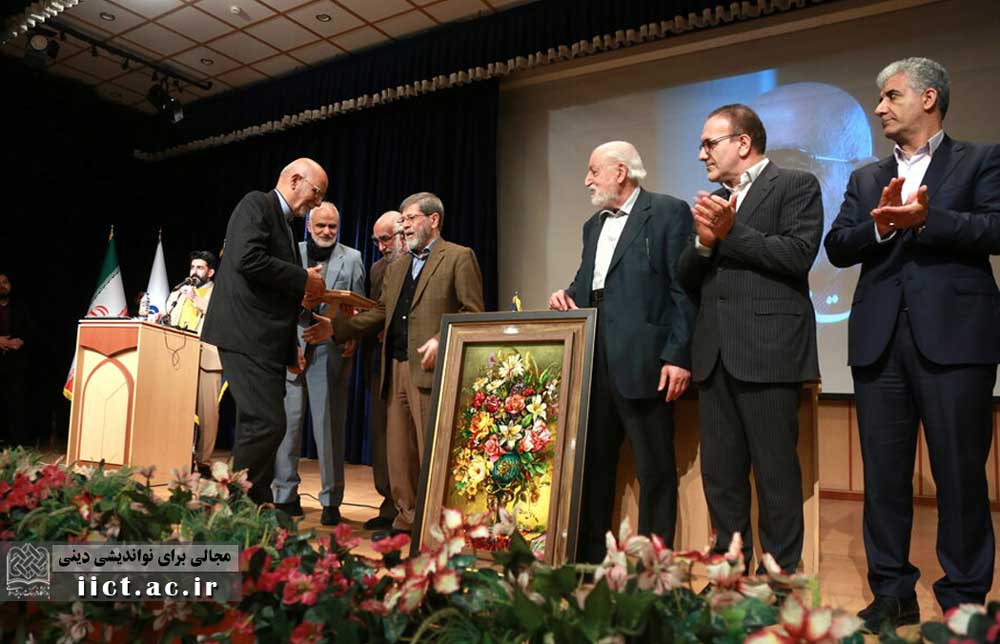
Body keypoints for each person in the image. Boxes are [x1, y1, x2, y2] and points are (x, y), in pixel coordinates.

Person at [824, 57, 1000, 629]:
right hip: (879, 345)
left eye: (891, 96)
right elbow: (838, 245)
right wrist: (880, 226)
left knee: (960, 476)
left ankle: (964, 601)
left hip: (956, 341)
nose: (879, 107)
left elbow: (995, 227)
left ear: (928, 99)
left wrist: (926, 219)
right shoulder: (865, 178)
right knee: (883, 478)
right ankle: (892, 593)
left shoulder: (981, 159)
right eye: (879, 98)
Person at [677, 104, 822, 574]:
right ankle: (729, 572)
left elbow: (797, 255)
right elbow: (686, 278)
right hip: (714, 355)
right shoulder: (714, 202)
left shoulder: (796, 185)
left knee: (776, 475)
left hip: (769, 352)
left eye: (709, 143)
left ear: (743, 143)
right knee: (721, 477)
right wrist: (703, 243)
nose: (701, 154)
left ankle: (776, 581)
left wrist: (730, 232)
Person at [548, 141, 697, 563]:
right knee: (593, 466)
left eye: (593, 171)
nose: (587, 180)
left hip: (645, 362)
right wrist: (566, 295)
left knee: (655, 470)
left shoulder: (667, 212)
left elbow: (683, 288)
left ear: (620, 171)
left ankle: (652, 566)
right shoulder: (592, 226)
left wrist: (678, 355)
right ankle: (588, 559)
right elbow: (588, 284)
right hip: (595, 362)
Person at [332, 192, 485, 537]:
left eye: (411, 218)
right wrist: (338, 328)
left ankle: (440, 523)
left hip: (432, 370)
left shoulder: (458, 257)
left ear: (434, 220)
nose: (405, 226)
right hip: (395, 368)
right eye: (402, 220)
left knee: (433, 451)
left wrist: (442, 338)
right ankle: (407, 519)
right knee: (399, 454)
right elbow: (381, 312)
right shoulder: (397, 266)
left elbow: (473, 313)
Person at [201, 158, 329, 506]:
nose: (318, 202)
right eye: (317, 192)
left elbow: (275, 295)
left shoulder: (285, 225)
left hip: (266, 341)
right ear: (295, 179)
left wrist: (290, 348)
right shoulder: (256, 203)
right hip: (244, 334)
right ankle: (233, 504)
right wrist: (303, 278)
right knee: (267, 423)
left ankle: (253, 507)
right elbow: (247, 259)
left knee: (256, 427)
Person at [272, 201, 365, 526]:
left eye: (332, 227)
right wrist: (287, 344)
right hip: (292, 349)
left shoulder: (353, 258)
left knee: (329, 429)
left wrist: (349, 333)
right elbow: (277, 304)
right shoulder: (290, 253)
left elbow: (359, 309)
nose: (326, 231)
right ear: (308, 226)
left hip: (330, 349)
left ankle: (331, 501)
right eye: (320, 226)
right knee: (288, 426)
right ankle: (285, 495)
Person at [362, 210, 405, 531]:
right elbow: (374, 311)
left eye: (386, 239)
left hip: (409, 362)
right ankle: (388, 505)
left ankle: (409, 508)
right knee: (380, 436)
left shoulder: (420, 266)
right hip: (378, 362)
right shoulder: (377, 269)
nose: (381, 247)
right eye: (376, 241)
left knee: (405, 440)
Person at [165, 251, 223, 469]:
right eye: (192, 267)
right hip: (179, 358)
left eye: (200, 268)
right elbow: (169, 318)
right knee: (178, 409)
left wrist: (195, 299)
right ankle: (179, 455)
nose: (194, 271)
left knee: (208, 415)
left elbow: (219, 316)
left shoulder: (218, 292)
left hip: (207, 360)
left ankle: (203, 461)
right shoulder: (179, 292)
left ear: (211, 272)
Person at [0, 272, 32, 447]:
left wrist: (21, 341)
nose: (2, 286)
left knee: (17, 404)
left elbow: (31, 329)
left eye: (5, 282)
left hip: (16, 363)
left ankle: (18, 445)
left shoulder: (21, 307)